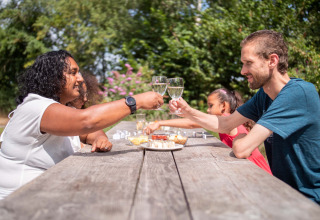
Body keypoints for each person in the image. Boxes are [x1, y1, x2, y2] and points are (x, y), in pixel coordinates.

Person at [169, 30, 320, 204]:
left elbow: (242, 149)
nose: (242, 71)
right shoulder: (265, 95)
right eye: (243, 64)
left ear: (272, 60)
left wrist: (239, 139)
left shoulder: (298, 93)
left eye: (248, 63)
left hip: (308, 201)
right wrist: (188, 111)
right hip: (282, 193)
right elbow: (225, 124)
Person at [0, 50, 163, 200]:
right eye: (73, 73)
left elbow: (89, 130)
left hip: (47, 194)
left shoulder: (62, 109)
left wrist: (98, 137)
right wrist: (135, 102)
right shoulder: (35, 107)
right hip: (19, 202)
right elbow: (86, 121)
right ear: (53, 77)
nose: (80, 78)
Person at [144, 88, 272, 174]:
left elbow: (193, 123)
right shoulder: (230, 120)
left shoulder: (227, 119)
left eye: (211, 106)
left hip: (256, 170)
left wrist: (159, 123)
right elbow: (195, 123)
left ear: (224, 106)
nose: (208, 110)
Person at [67, 73, 113, 152]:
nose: (85, 99)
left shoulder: (73, 110)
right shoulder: (55, 110)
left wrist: (100, 138)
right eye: (80, 94)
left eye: (86, 94)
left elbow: (89, 132)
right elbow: (86, 123)